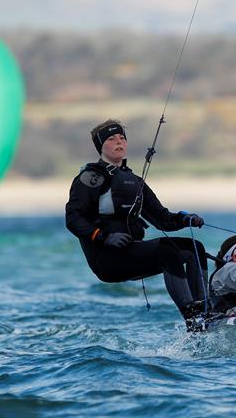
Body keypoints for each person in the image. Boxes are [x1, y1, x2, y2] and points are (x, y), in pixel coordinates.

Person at [65, 119, 210, 330]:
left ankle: (204, 310)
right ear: (101, 146)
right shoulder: (90, 177)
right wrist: (103, 236)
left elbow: (163, 219)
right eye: (112, 139)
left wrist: (185, 219)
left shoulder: (134, 181)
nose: (119, 142)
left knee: (194, 248)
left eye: (122, 138)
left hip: (130, 253)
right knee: (167, 253)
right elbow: (73, 218)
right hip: (106, 259)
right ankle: (192, 319)